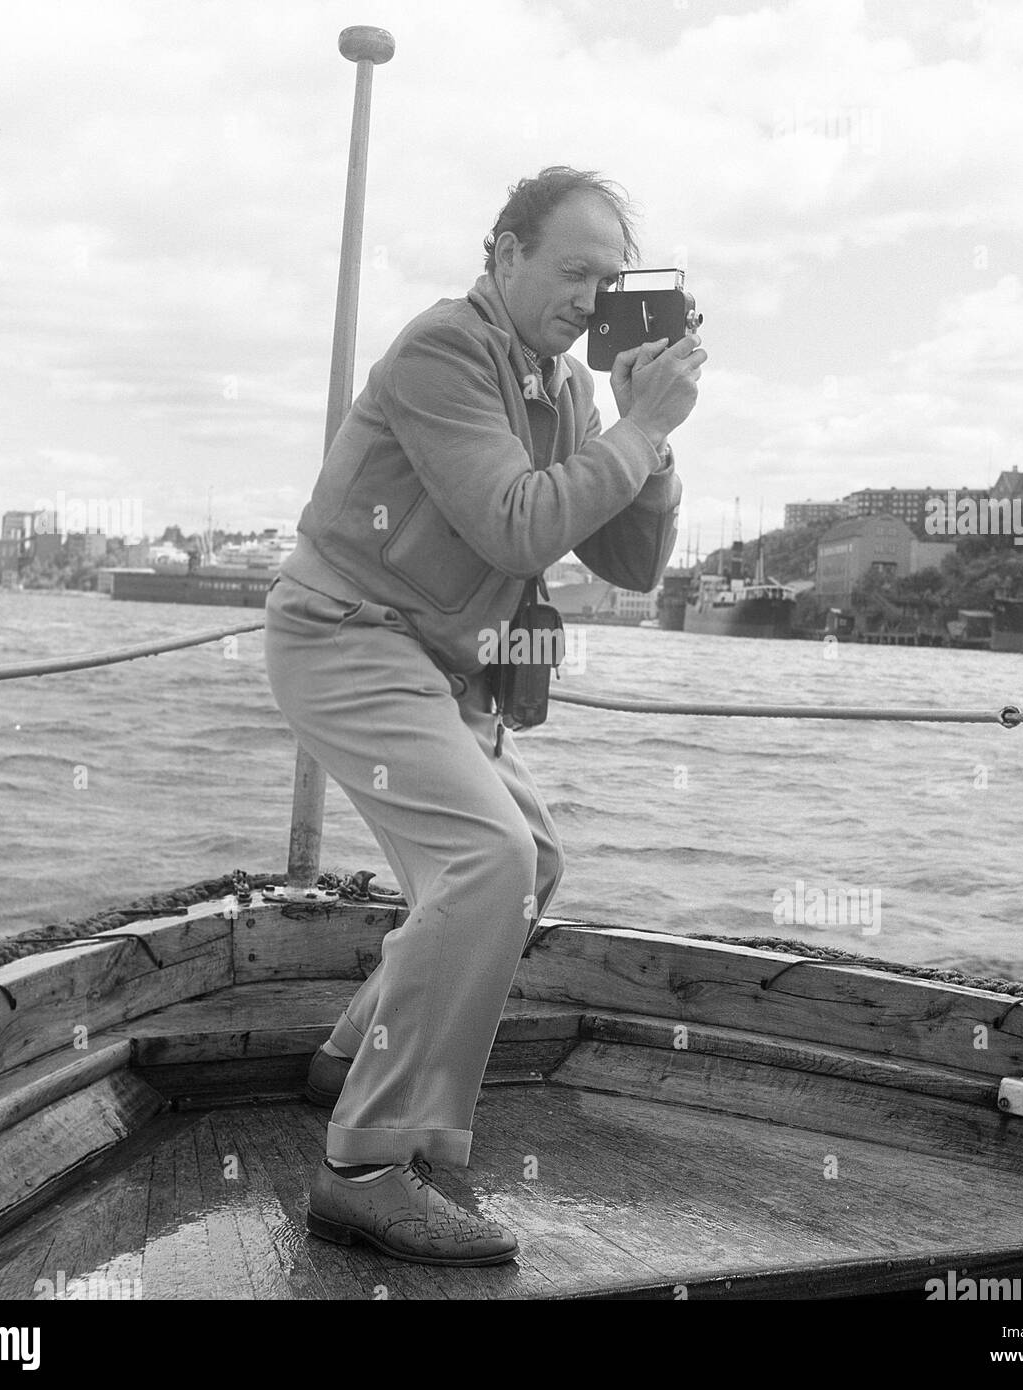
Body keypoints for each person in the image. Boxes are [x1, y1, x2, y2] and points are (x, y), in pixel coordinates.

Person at [264, 166, 706, 1266]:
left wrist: (642, 431)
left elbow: (634, 561)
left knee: (529, 858)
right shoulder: (441, 351)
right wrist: (637, 425)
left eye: (611, 281)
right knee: (484, 856)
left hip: (434, 667)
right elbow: (516, 527)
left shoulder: (561, 386)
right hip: (344, 637)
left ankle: (351, 1050)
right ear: (501, 252)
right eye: (571, 271)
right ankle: (366, 1165)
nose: (589, 297)